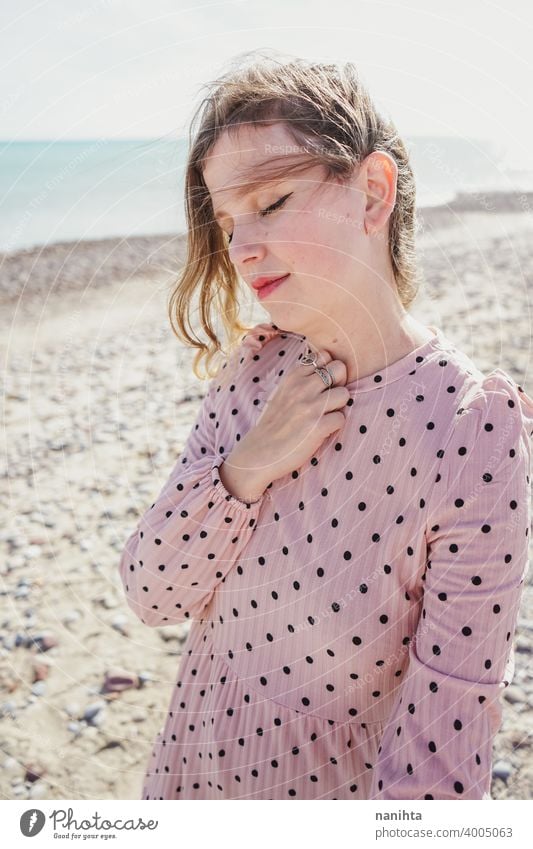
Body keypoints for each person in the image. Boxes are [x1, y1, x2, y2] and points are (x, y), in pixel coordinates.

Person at [118, 53, 533, 800]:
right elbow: (152, 594)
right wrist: (246, 467)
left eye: (271, 202)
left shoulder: (472, 425)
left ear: (372, 191)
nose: (241, 249)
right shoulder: (251, 375)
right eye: (226, 220)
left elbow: (443, 742)